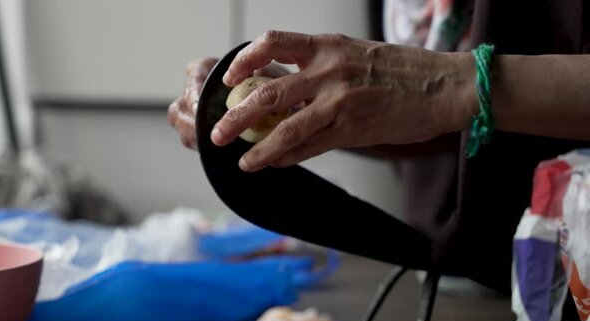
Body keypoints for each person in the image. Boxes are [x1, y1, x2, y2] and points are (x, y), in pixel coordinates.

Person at [167, 0, 590, 298]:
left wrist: (450, 82)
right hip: (500, 278)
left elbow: (443, 90)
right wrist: (308, 104)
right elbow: (446, 119)